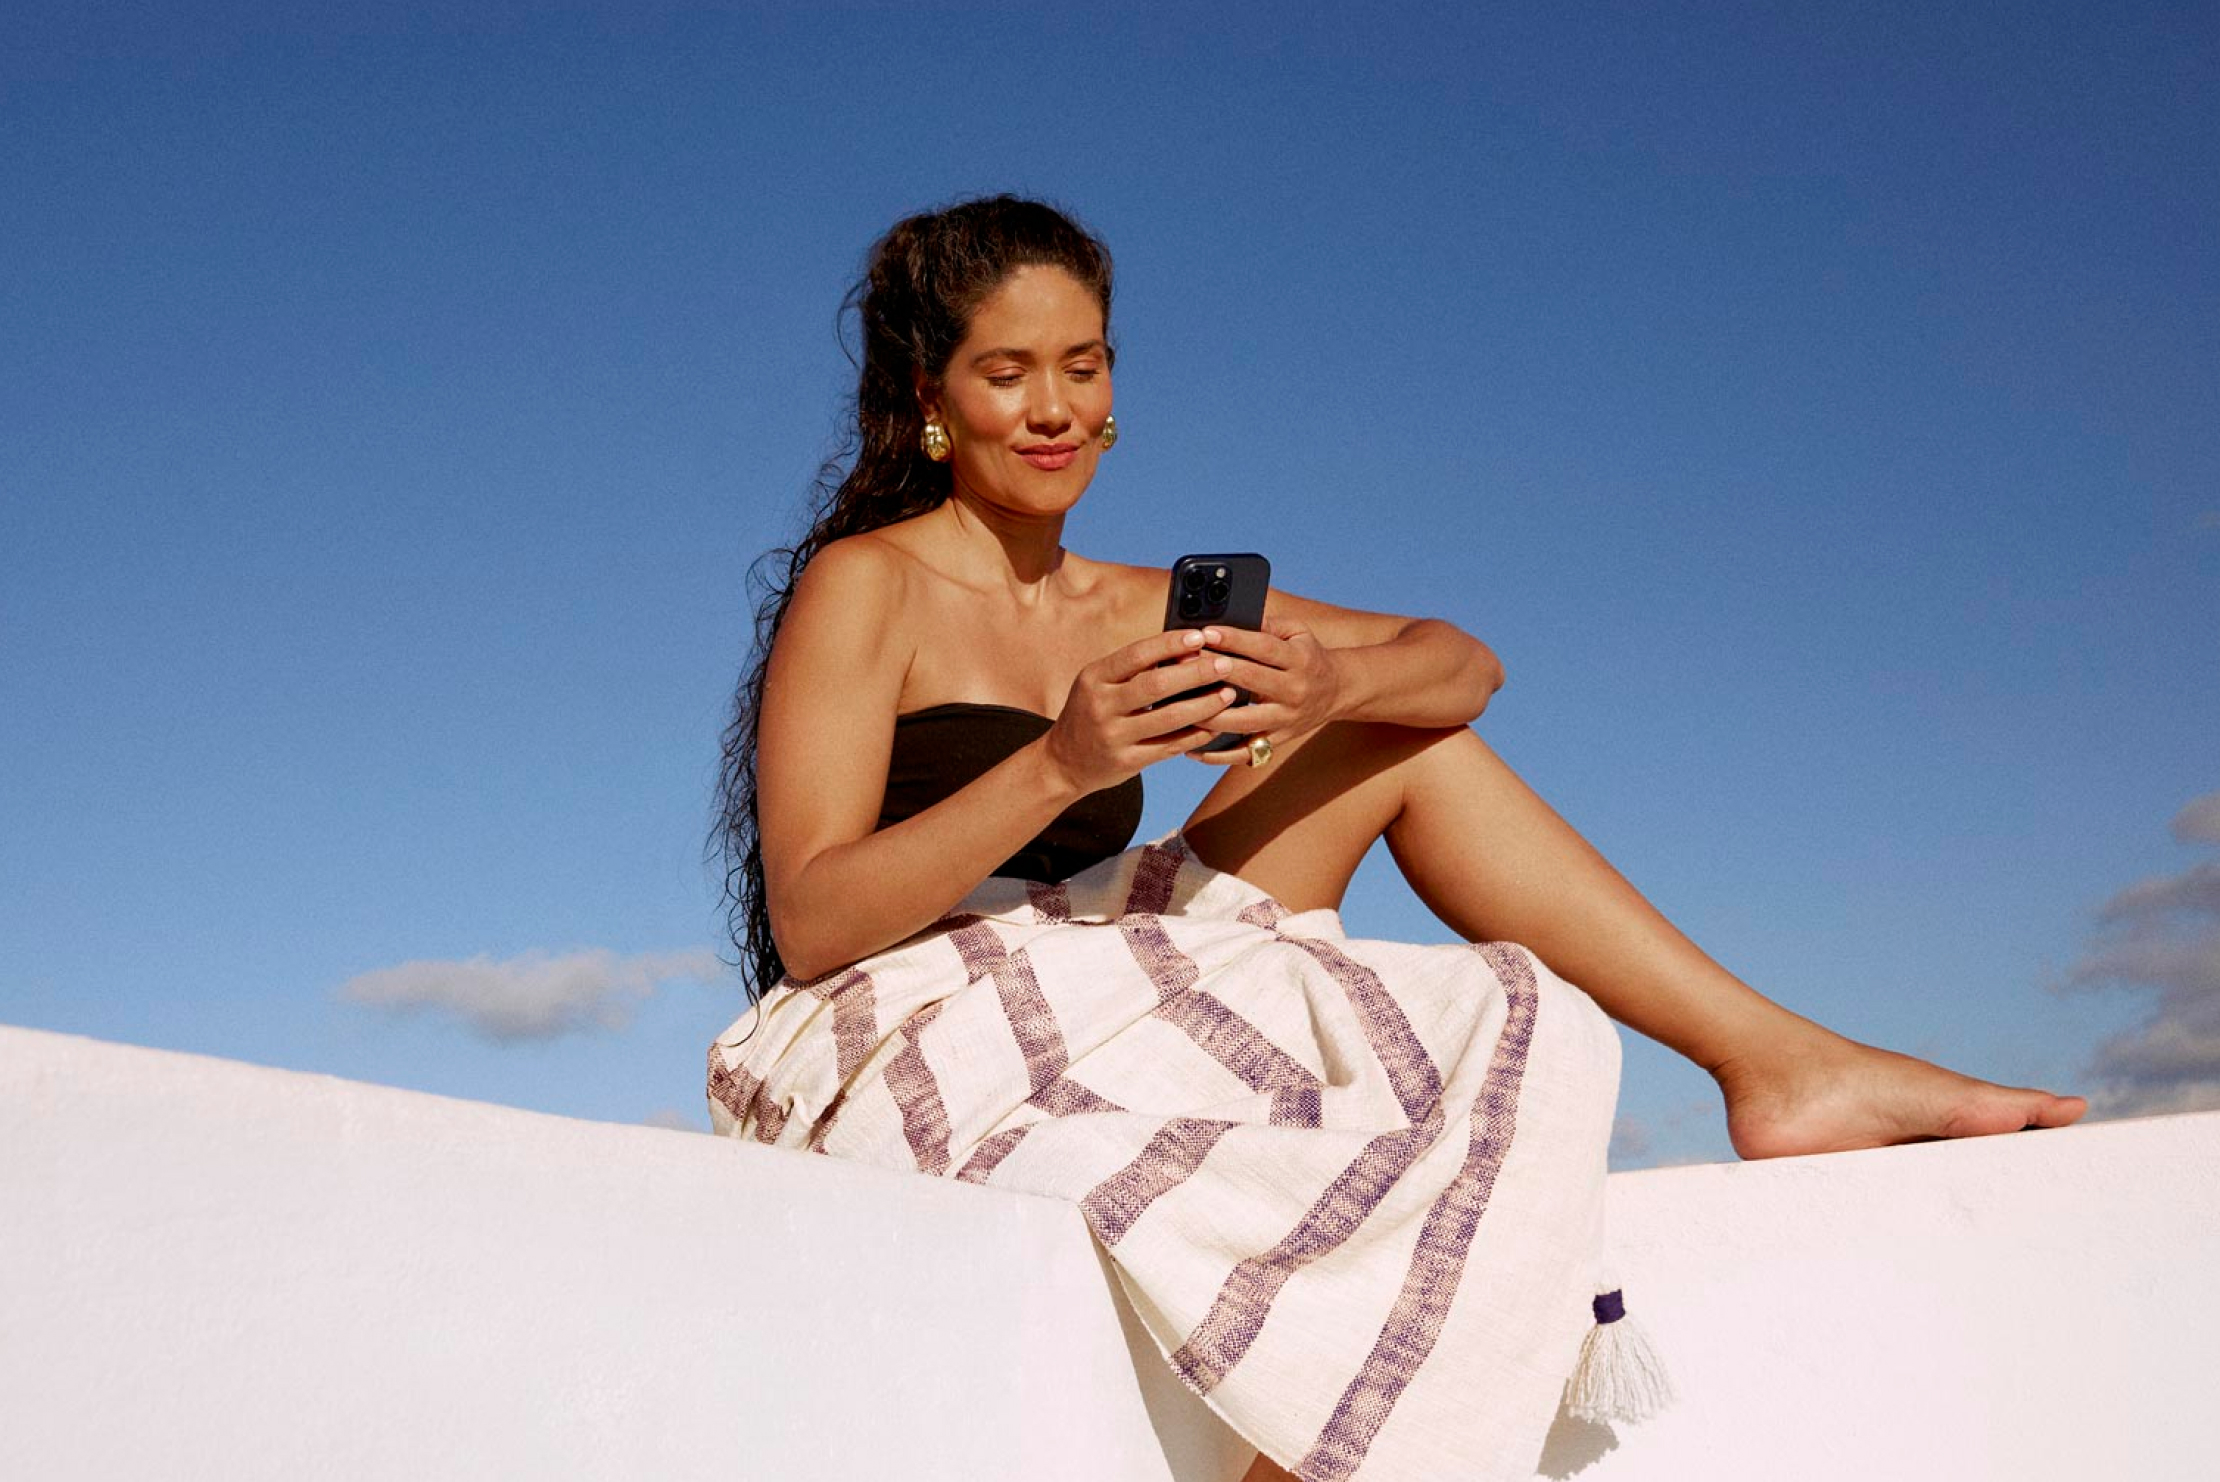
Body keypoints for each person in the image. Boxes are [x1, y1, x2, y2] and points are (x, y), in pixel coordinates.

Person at [702, 194, 2084, 1482]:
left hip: (1103, 951)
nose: (1057, 409)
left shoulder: (1132, 599)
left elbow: (1461, 663)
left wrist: (1323, 685)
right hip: (921, 999)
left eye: (1087, 363)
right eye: (1008, 373)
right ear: (927, 395)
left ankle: (1780, 1064)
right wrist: (1065, 758)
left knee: (1412, 739)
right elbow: (817, 916)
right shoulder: (865, 585)